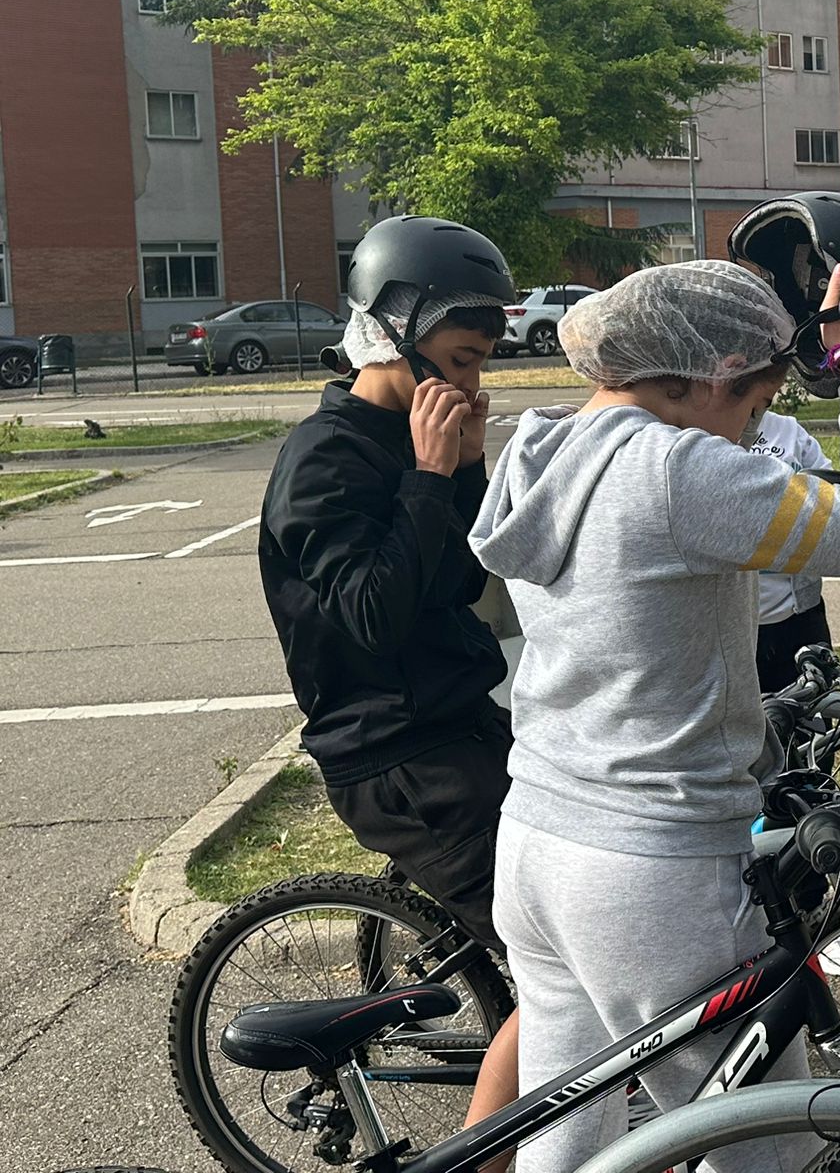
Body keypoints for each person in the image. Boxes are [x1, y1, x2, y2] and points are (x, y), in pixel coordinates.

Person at [469, 251, 840, 1173]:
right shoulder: (678, 472)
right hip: (653, 864)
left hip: (539, 841)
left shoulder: (537, 447)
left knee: (569, 1129)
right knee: (764, 1151)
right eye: (752, 406)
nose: (751, 432)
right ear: (713, 378)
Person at [255, 213, 524, 1131]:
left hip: (458, 720)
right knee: (564, 959)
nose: (471, 380)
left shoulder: (414, 441)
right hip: (397, 756)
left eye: (483, 360)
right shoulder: (322, 460)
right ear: (397, 333)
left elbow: (462, 582)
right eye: (459, 356)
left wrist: (468, 473)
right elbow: (371, 617)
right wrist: (428, 474)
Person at [748, 407, 837, 694]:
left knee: (812, 724)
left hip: (800, 618)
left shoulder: (788, 430)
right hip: (736, 627)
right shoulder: (699, 430)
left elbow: (832, 498)